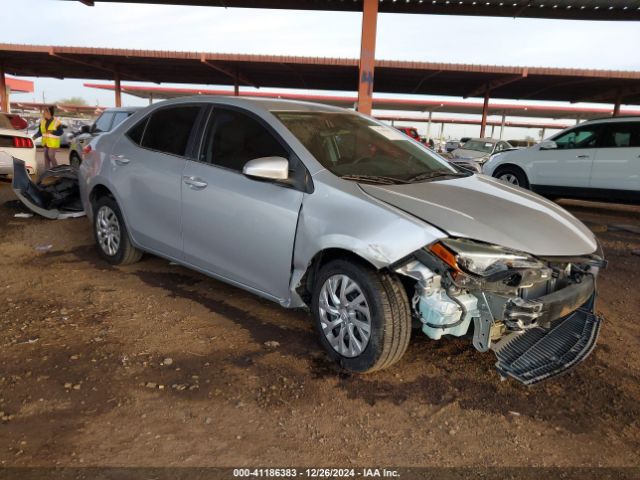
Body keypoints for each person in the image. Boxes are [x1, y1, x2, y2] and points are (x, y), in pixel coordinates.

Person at [33, 106, 63, 170]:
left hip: (53, 143)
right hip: (45, 142)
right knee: (46, 157)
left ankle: (57, 171)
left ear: (49, 112)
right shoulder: (42, 121)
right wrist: (33, 137)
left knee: (51, 155)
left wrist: (52, 131)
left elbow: (61, 132)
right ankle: (47, 171)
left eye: (45, 112)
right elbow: (40, 132)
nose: (43, 113)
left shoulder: (57, 121)